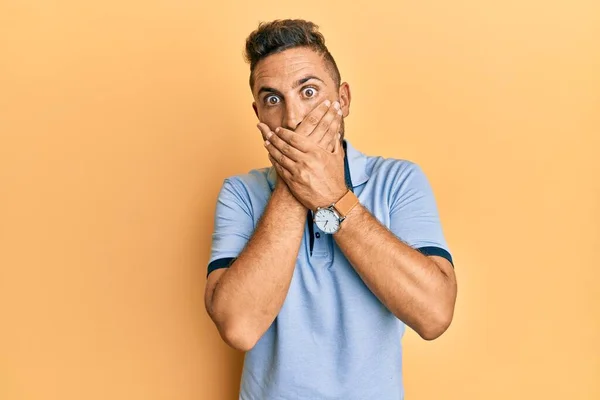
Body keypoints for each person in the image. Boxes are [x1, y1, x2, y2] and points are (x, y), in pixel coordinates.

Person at [204, 19, 457, 399]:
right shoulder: (240, 193)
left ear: (344, 100)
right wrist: (296, 185)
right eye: (273, 99)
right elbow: (239, 327)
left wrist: (334, 197)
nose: (292, 119)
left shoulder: (398, 180)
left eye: (308, 91)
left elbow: (435, 315)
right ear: (258, 114)